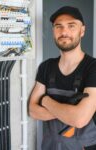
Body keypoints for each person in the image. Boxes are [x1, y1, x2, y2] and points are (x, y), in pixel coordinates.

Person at [29, 6, 96, 150]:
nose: (64, 32)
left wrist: (45, 100)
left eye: (71, 26)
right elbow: (33, 110)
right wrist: (69, 112)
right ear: (53, 31)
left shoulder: (92, 67)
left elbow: (79, 119)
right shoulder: (46, 66)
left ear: (82, 30)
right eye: (58, 26)